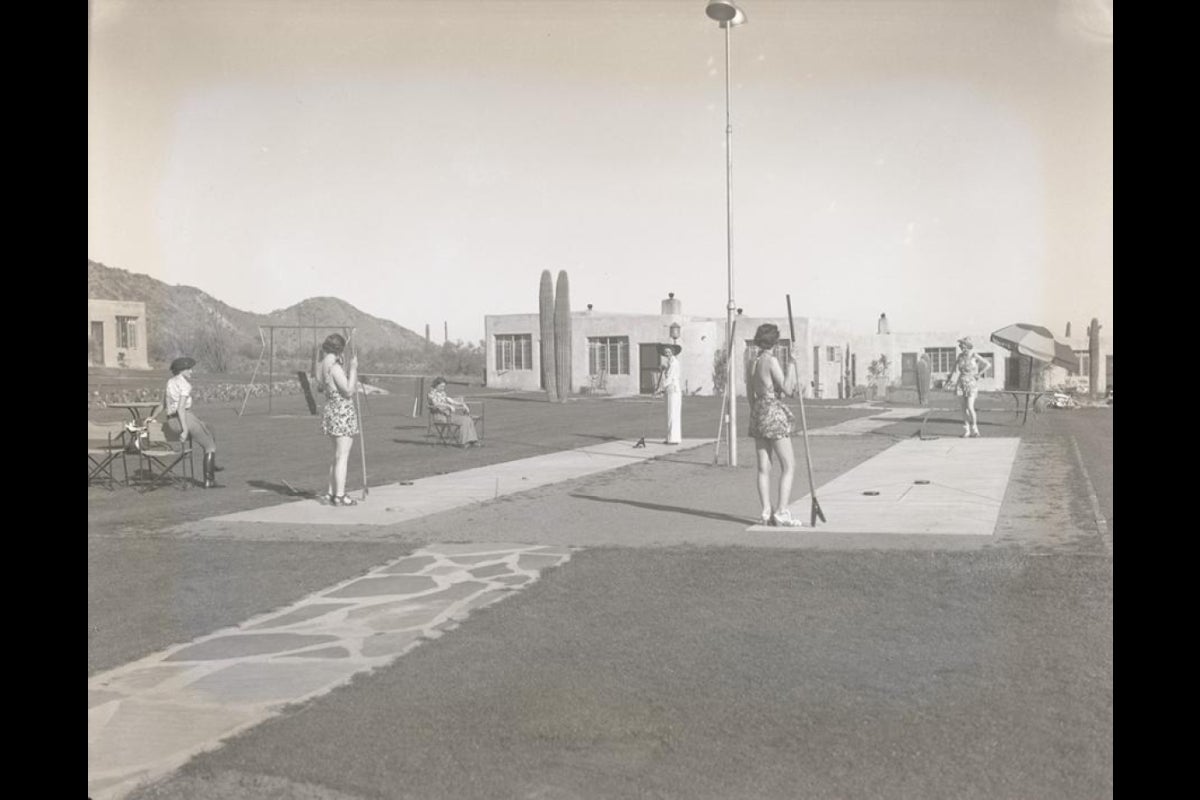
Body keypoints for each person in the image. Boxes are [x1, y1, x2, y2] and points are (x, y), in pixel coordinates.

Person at [746, 323, 803, 527]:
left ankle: (765, 511)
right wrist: (792, 364)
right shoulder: (771, 361)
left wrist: (756, 412)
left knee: (764, 467)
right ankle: (781, 511)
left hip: (758, 413)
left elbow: (749, 393)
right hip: (772, 412)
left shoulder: (752, 361)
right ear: (775, 342)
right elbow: (787, 389)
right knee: (788, 465)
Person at [164, 356, 222, 488]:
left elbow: (164, 403)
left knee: (209, 427)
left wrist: (151, 416)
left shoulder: (170, 382)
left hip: (171, 421)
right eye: (189, 369)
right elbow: (181, 408)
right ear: (182, 370)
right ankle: (209, 480)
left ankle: (212, 465)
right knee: (209, 447)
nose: (191, 371)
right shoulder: (185, 384)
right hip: (184, 417)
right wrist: (184, 430)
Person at [317, 333, 360, 505]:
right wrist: (353, 369)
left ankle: (331, 492)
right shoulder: (334, 367)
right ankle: (340, 495)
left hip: (331, 410)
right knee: (342, 456)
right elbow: (348, 390)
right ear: (339, 349)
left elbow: (321, 386)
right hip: (342, 411)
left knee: (336, 455)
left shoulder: (322, 365)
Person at [946, 336, 990, 437]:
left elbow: (988, 364)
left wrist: (979, 374)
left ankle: (975, 428)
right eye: (961, 346)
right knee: (963, 408)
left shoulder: (974, 355)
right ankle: (966, 430)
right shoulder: (960, 357)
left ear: (968, 346)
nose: (962, 348)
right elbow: (953, 369)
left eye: (963, 346)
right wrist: (949, 379)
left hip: (971, 383)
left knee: (970, 407)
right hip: (961, 383)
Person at [427, 376, 481, 447]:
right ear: (436, 385)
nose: (443, 388)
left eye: (444, 386)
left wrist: (462, 404)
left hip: (449, 415)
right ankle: (463, 442)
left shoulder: (442, 393)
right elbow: (436, 404)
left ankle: (473, 440)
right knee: (464, 420)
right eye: (441, 386)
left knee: (468, 419)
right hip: (440, 417)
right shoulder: (431, 394)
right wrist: (448, 406)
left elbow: (451, 401)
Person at [654, 343, 683, 444]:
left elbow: (670, 378)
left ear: (673, 352)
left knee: (673, 413)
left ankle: (674, 438)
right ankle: (669, 437)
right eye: (666, 352)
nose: (667, 354)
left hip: (673, 390)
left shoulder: (674, 363)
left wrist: (659, 388)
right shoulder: (669, 362)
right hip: (669, 390)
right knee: (669, 414)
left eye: (669, 352)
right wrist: (664, 368)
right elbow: (667, 373)